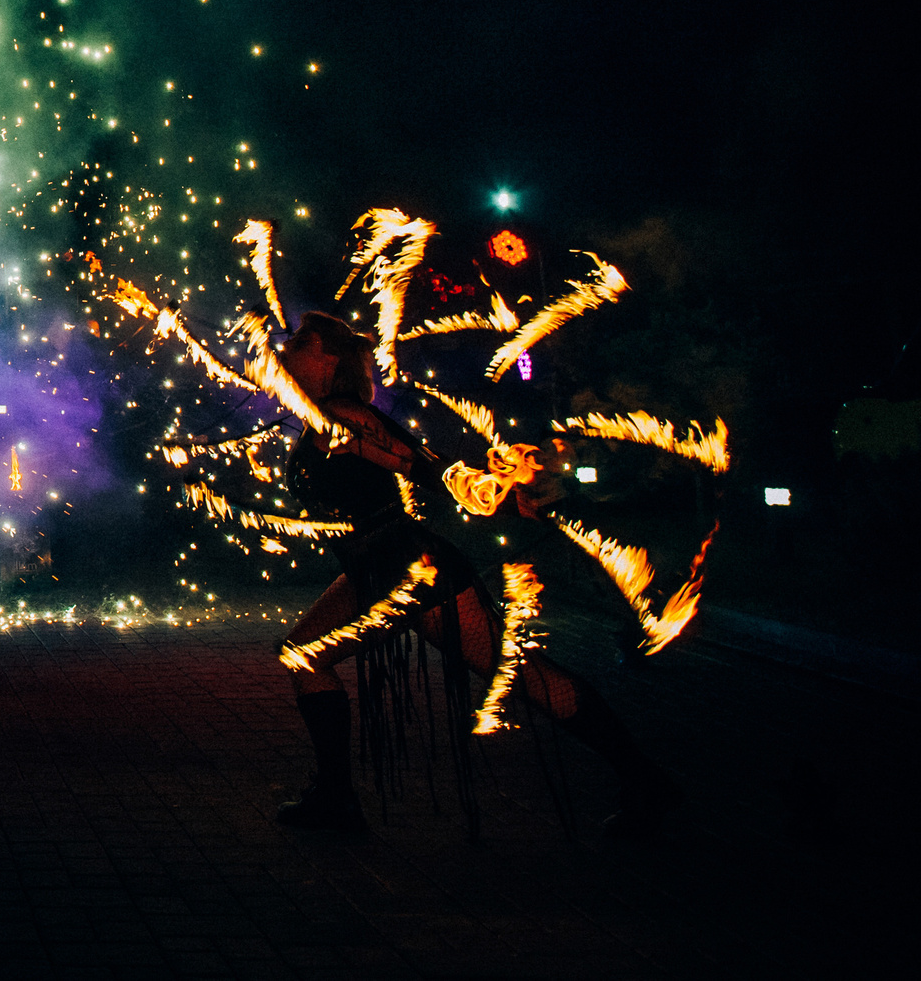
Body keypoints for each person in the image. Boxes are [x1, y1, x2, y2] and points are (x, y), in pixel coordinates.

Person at [272, 311, 679, 837]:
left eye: (301, 340)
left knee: (524, 677)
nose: (286, 345)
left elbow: (422, 463)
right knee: (304, 656)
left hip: (412, 573)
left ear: (330, 358)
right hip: (375, 569)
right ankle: (335, 797)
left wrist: (503, 499)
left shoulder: (349, 414)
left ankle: (645, 779)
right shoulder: (320, 416)